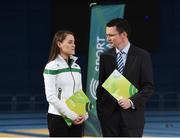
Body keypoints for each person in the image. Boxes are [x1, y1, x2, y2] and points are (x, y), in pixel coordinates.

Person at [96, 18, 154, 137]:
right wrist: (102, 113)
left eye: (111, 35)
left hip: (132, 118)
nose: (108, 39)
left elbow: (148, 87)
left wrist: (131, 102)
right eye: (107, 35)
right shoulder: (105, 56)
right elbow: (101, 87)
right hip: (109, 119)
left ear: (123, 35)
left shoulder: (142, 56)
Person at [43, 30, 88, 137]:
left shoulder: (77, 67)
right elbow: (51, 97)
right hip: (58, 118)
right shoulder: (51, 66)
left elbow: (79, 92)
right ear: (59, 44)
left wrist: (84, 114)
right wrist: (71, 115)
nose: (73, 45)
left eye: (74, 42)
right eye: (70, 42)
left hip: (77, 118)